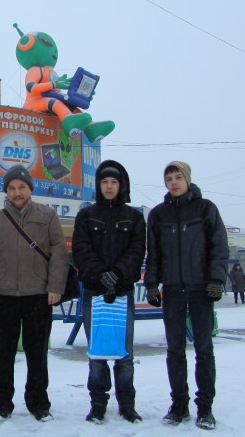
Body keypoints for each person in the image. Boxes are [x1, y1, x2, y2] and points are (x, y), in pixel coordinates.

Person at [0, 164, 69, 423]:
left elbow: (59, 254)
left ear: (30, 188)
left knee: (37, 353)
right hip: (3, 296)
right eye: (12, 188)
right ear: (6, 191)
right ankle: (1, 404)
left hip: (38, 295)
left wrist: (55, 287)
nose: (17, 192)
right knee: (2, 354)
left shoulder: (47, 215)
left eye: (22, 187)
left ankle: (39, 403)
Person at [144, 161, 229, 431]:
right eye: (169, 178)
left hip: (201, 289)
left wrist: (216, 280)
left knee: (204, 349)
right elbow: (154, 254)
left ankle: (205, 408)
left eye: (178, 177)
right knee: (174, 350)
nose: (173, 182)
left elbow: (219, 247)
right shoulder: (158, 215)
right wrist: (151, 284)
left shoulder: (206, 209)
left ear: (187, 179)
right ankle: (179, 405)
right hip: (172, 290)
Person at [72, 160, 146, 424]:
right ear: (98, 185)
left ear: (121, 185)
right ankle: (98, 405)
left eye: (114, 181)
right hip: (94, 293)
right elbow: (81, 250)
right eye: (104, 181)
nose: (109, 186)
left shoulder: (134, 217)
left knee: (124, 354)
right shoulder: (86, 215)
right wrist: (101, 274)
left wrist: (117, 274)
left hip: (123, 293)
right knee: (97, 353)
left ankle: (127, 404)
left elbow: (137, 250)